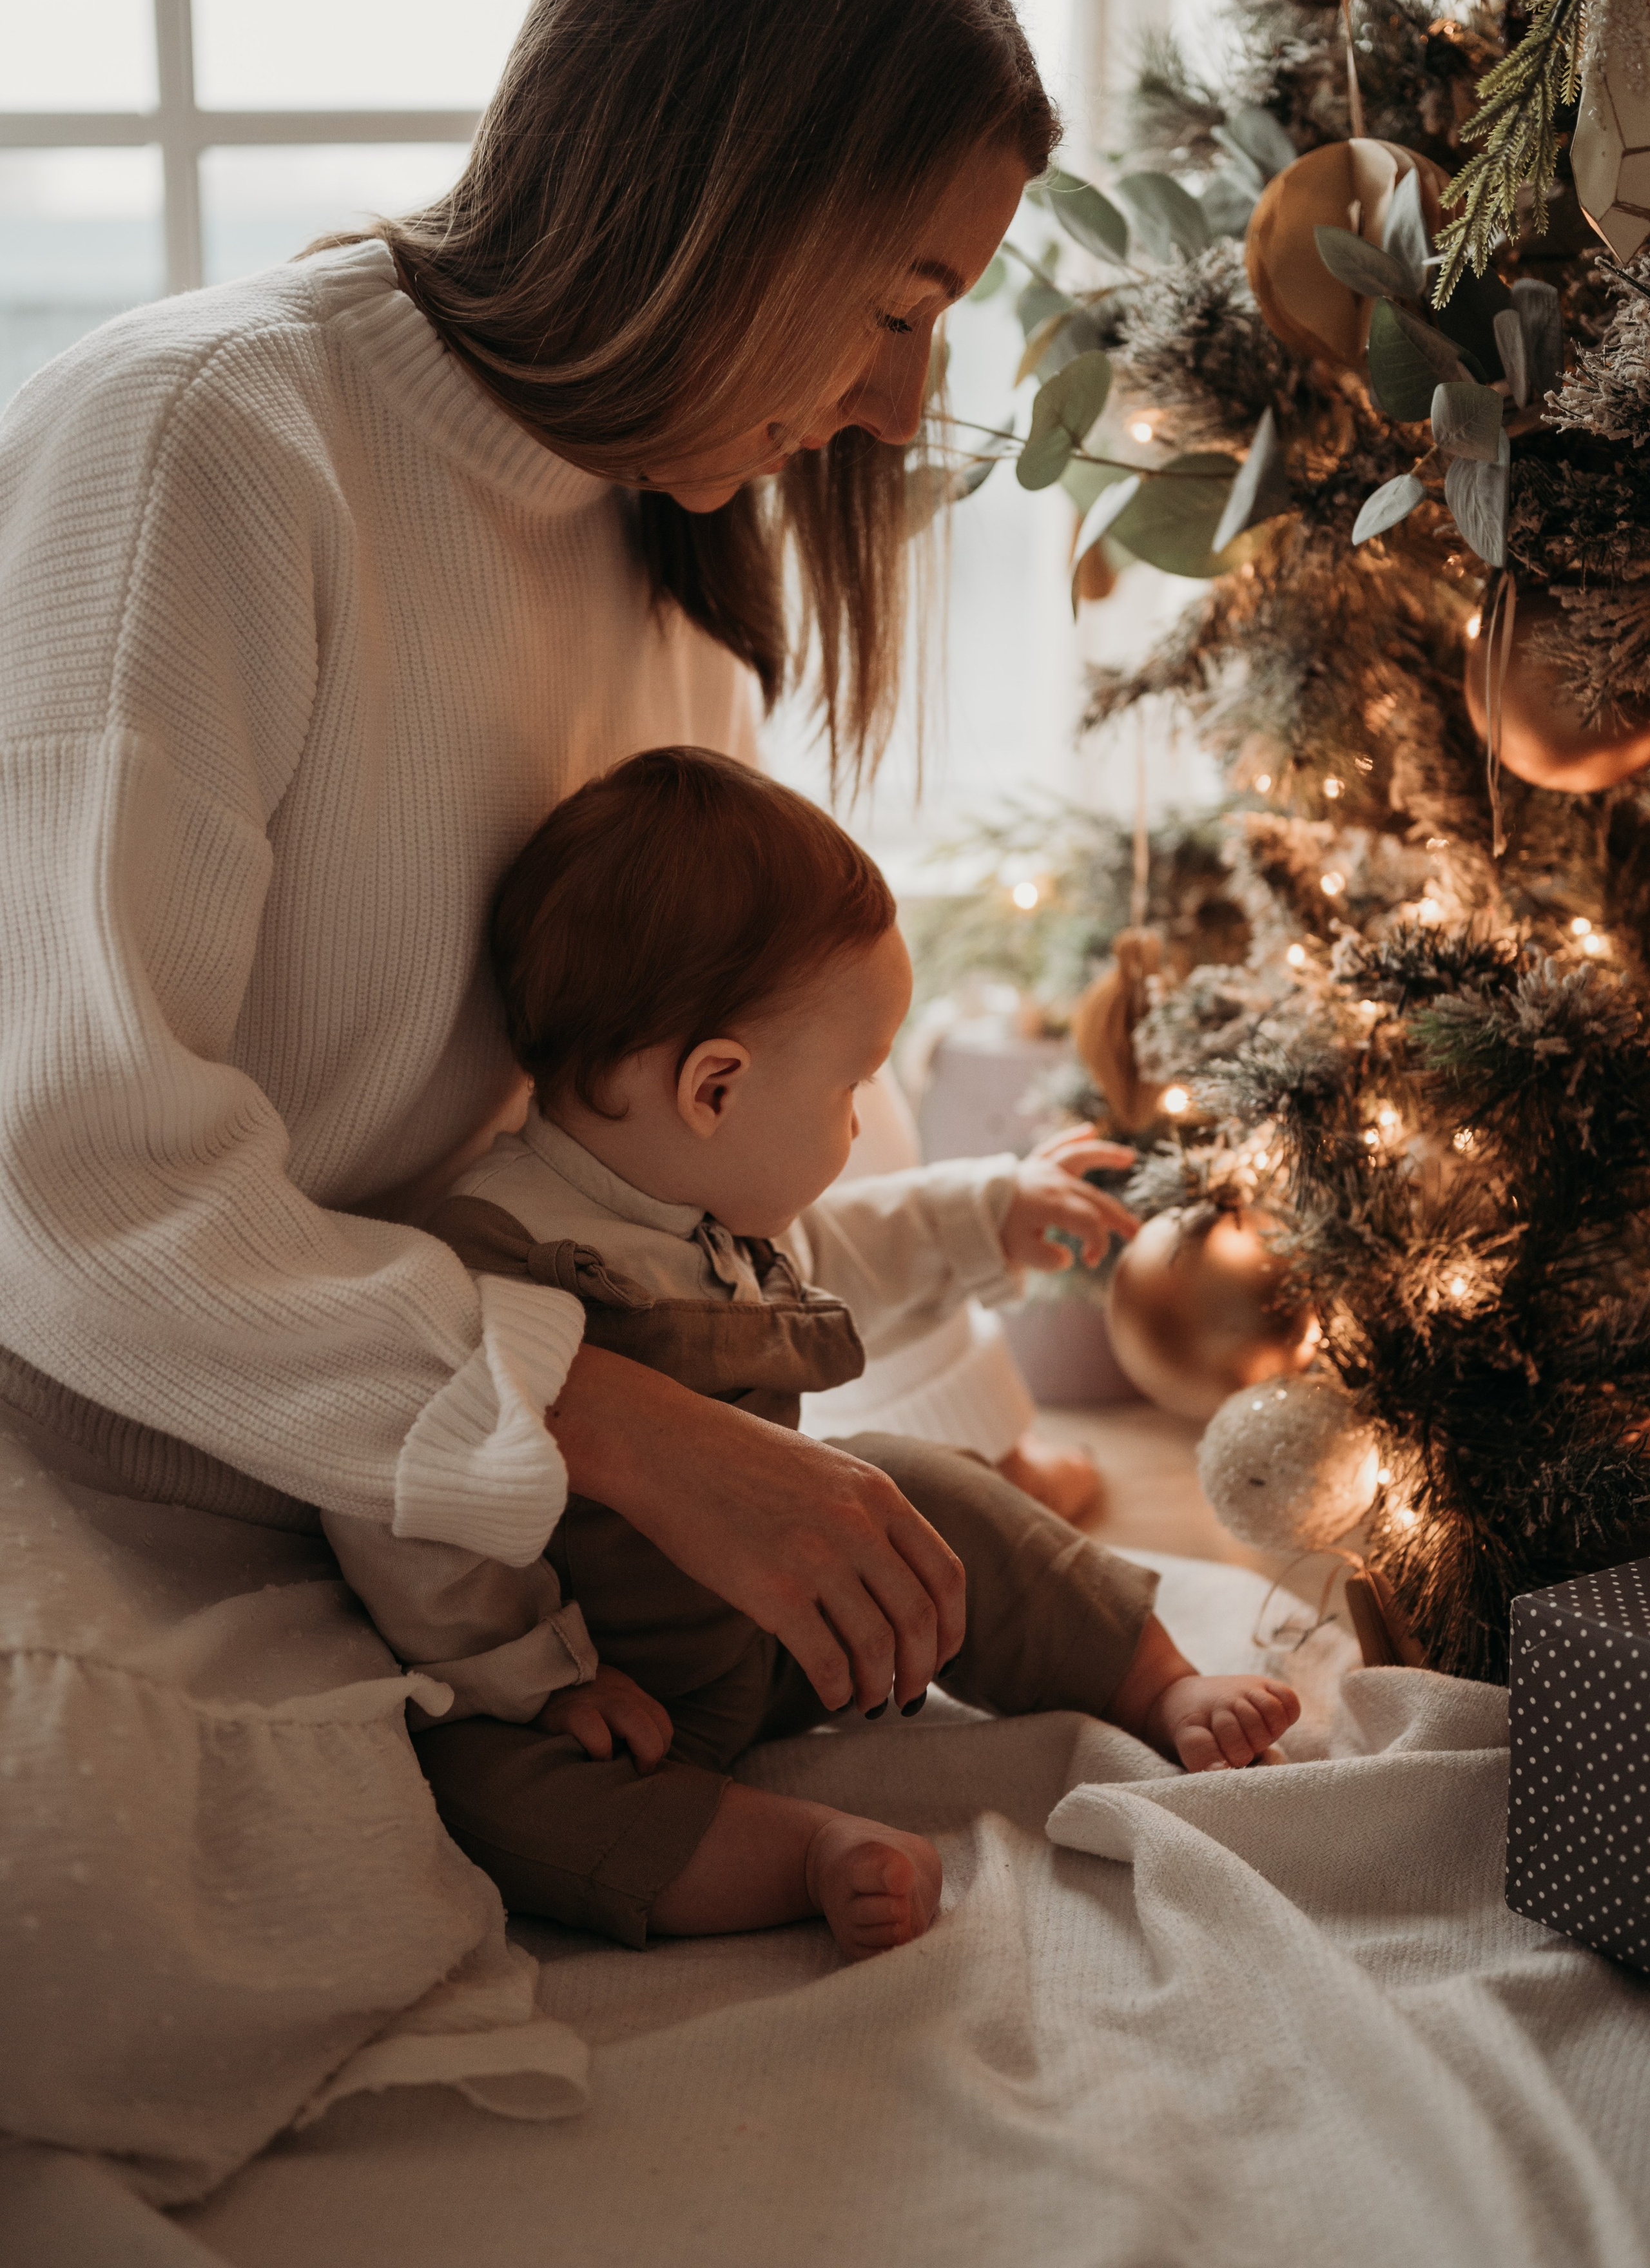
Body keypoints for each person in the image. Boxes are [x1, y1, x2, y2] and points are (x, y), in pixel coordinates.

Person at [0, 0, 1176, 2182]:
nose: (890, 400)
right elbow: (73, 1166)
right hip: (127, 1436)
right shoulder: (211, 445)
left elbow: (688, 1166)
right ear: (719, 190)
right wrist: (619, 1440)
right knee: (148, 1902)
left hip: (471, 1498)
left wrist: (863, 1418)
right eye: (895, 298)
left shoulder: (667, 587)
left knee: (755, 1701)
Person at [325, 749, 1301, 1960]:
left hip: (786, 1622)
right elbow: (413, 1514)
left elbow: (848, 1251)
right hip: (615, 1698)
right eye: (853, 1087)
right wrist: (543, 1680)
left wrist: (988, 1210)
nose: (856, 1122)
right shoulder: (502, 1261)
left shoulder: (715, 1210)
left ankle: (1153, 1680)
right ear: (714, 1089)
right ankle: (797, 1850)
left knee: (921, 1483)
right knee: (485, 1789)